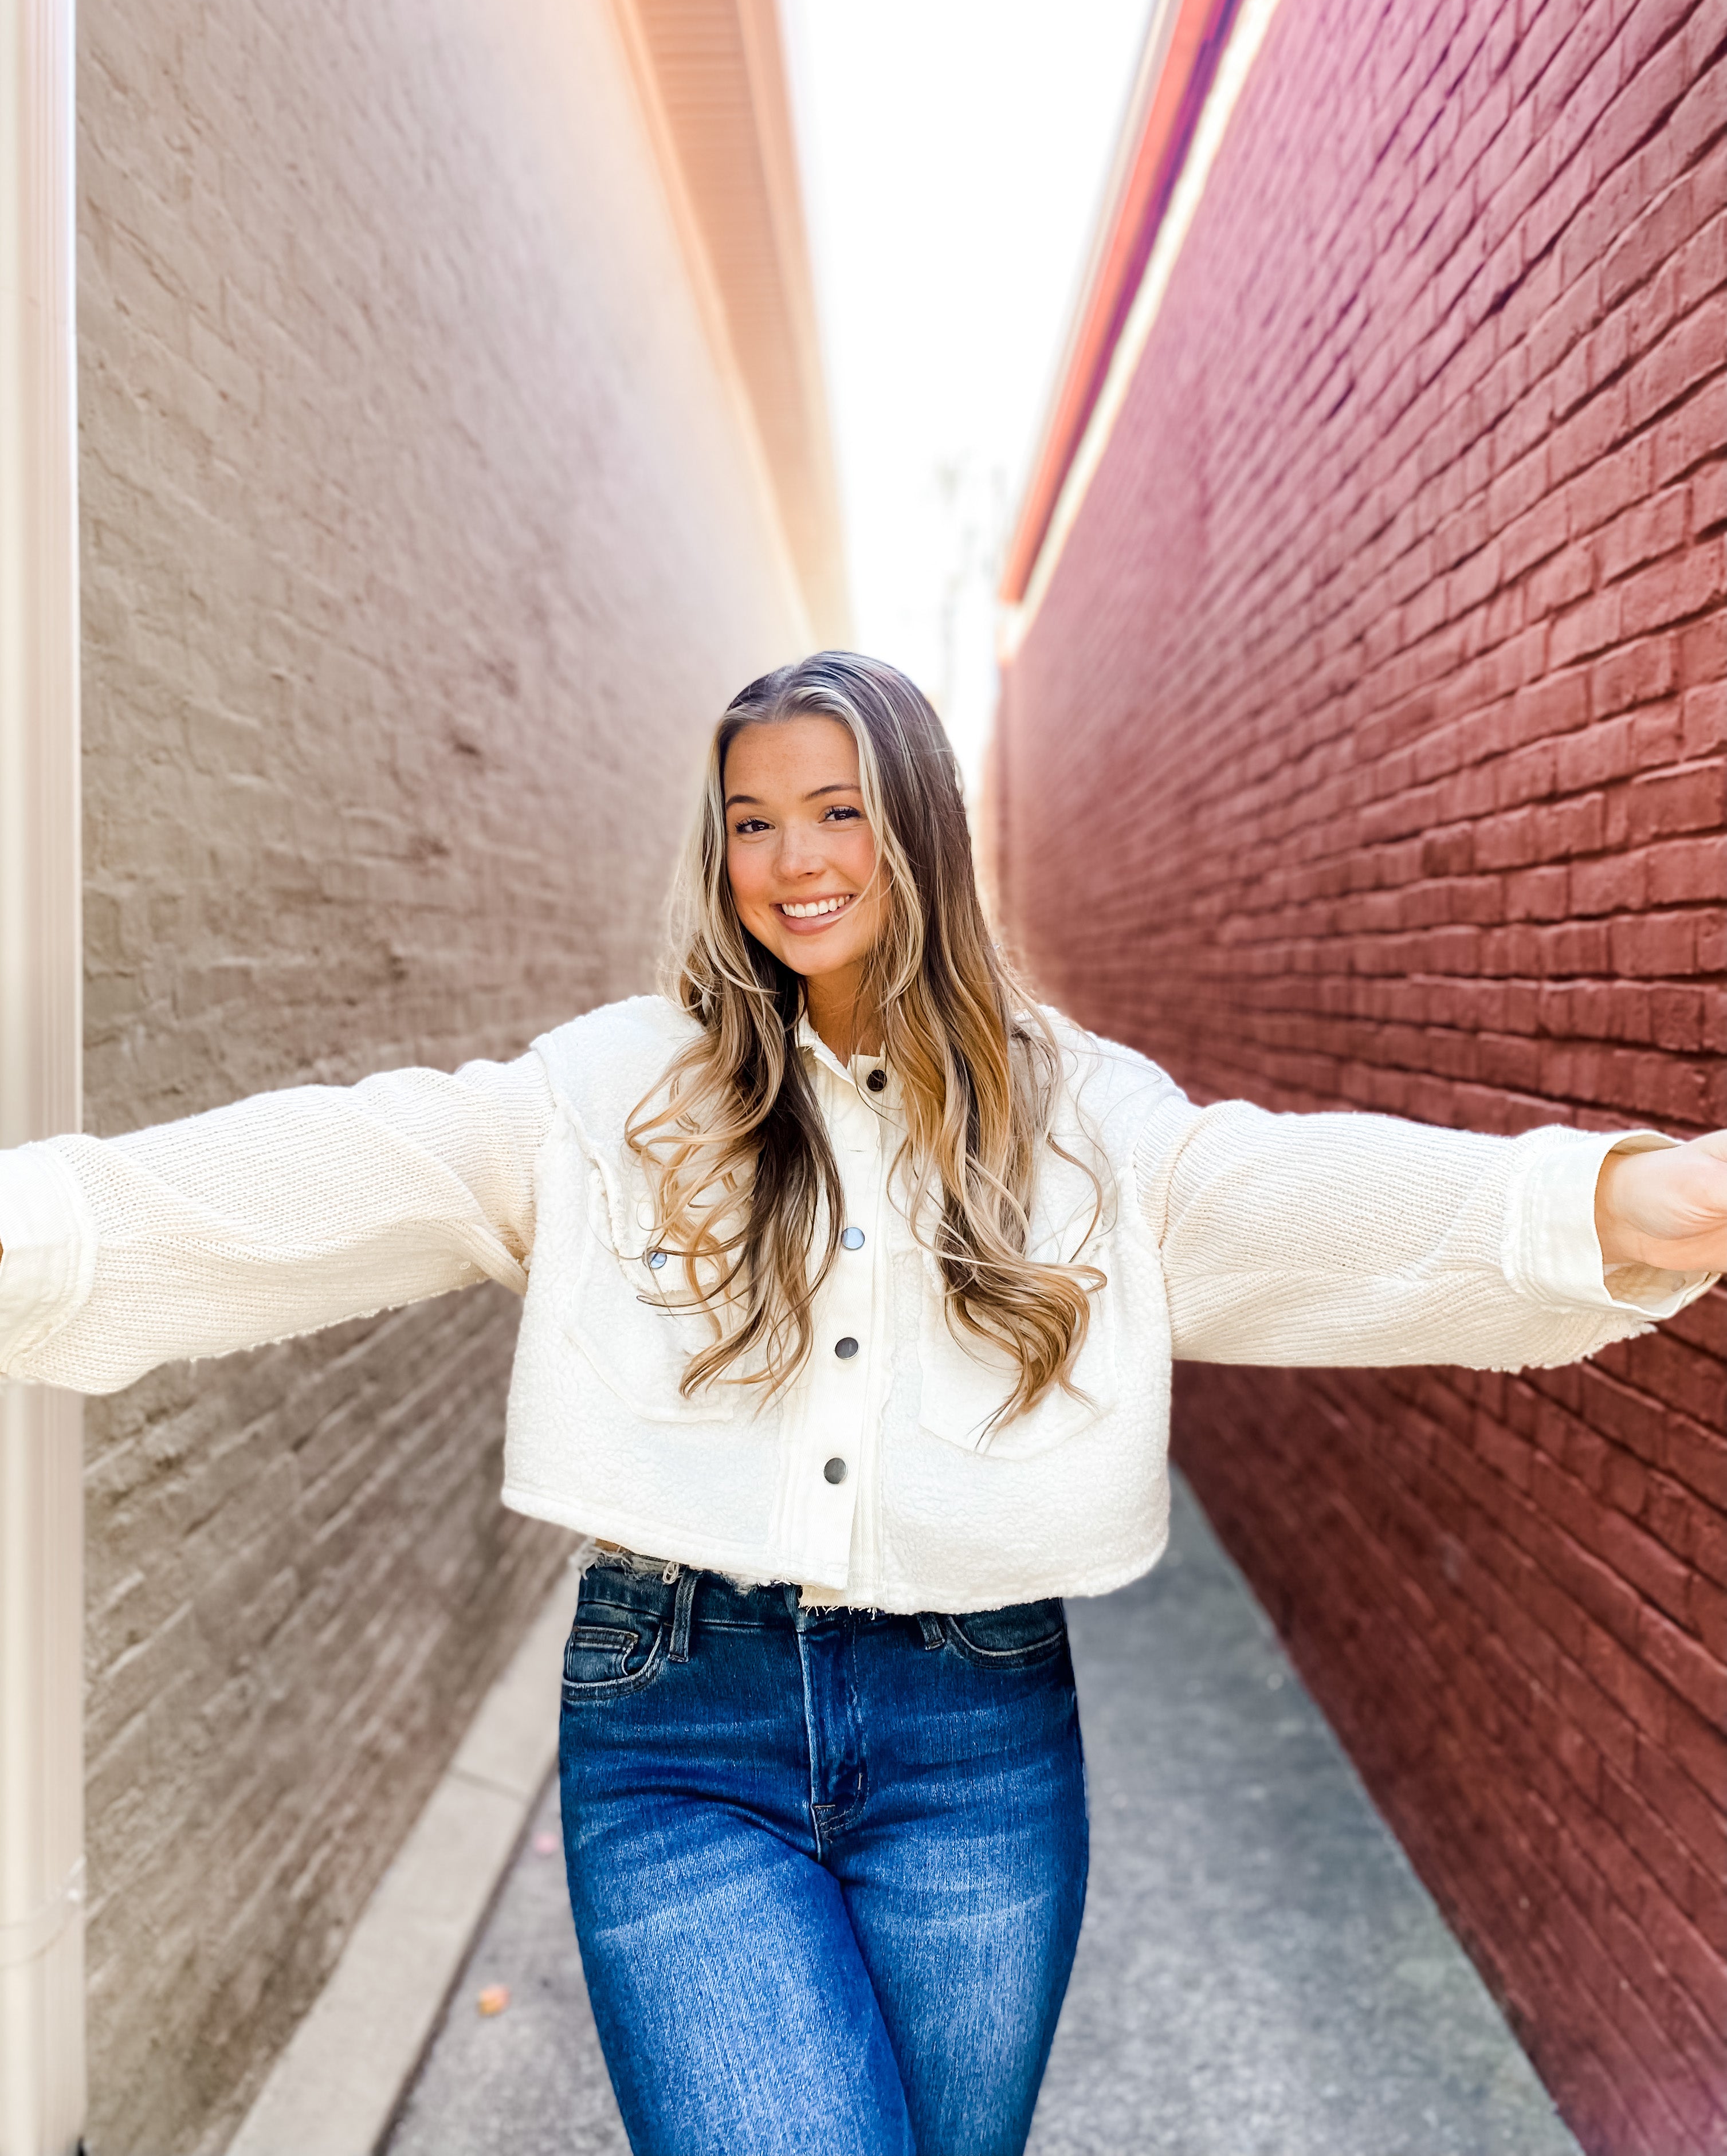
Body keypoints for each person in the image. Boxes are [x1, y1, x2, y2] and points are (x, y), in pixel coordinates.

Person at [1, 650, 1721, 2156]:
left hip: (978, 1738)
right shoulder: (615, 1097)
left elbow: (1305, 1201)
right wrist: (40, 1228)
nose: (792, 860)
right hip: (677, 1732)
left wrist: (1629, 1205)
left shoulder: (1079, 1115)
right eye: (752, 821)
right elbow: (337, 1170)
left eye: (835, 811)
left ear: (918, 829)